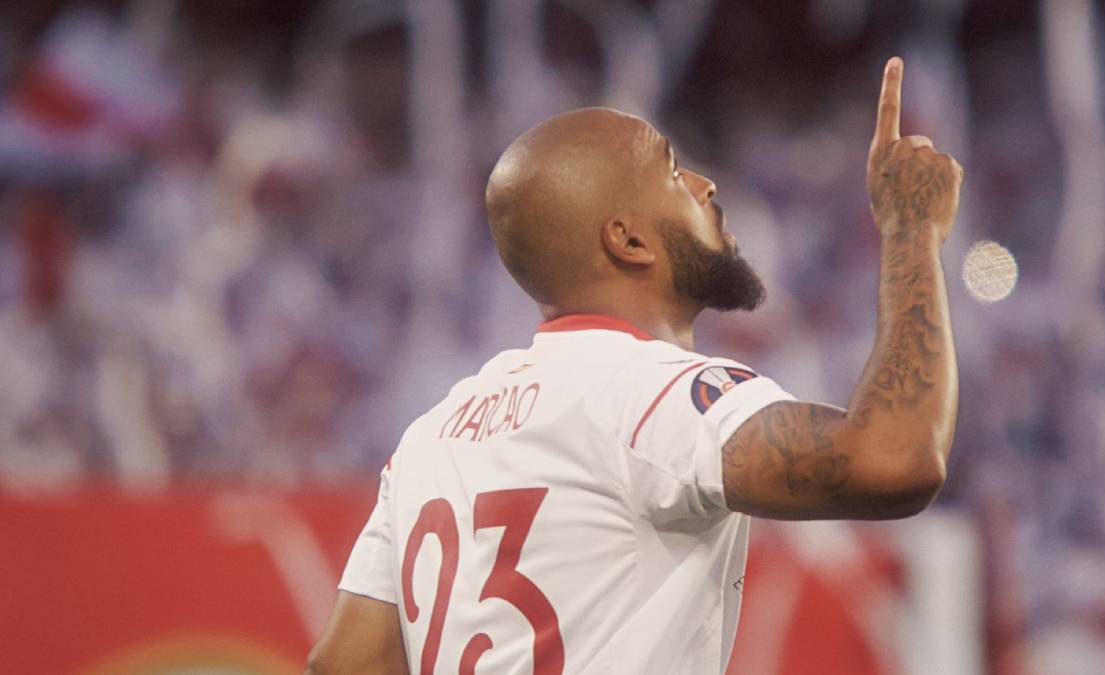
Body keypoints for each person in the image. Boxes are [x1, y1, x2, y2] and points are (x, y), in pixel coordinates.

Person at [305, 57, 962, 675]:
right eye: (675, 171)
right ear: (628, 239)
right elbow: (895, 459)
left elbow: (343, 662)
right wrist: (911, 229)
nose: (707, 186)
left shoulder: (432, 434)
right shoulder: (654, 393)